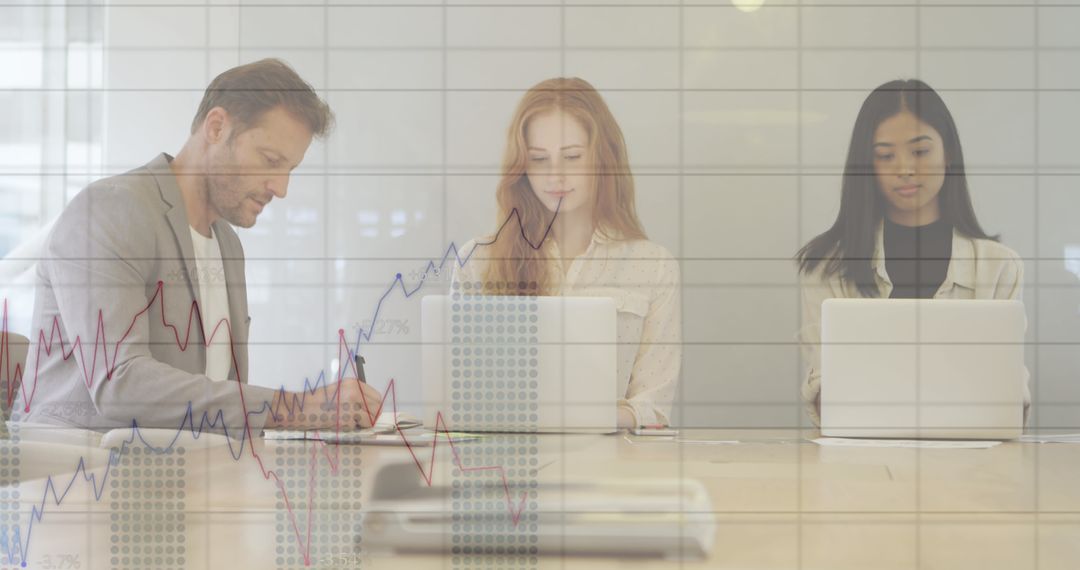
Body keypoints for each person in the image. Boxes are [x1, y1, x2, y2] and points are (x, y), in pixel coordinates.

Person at [13, 59, 383, 432]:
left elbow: (215, 398)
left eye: (289, 170)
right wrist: (298, 408)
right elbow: (119, 384)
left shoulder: (227, 245)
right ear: (217, 127)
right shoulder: (110, 209)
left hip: (183, 470)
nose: (281, 188)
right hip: (76, 473)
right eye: (270, 161)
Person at [796, 78, 1028, 425]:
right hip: (858, 465)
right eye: (885, 156)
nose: (904, 168)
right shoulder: (827, 267)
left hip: (972, 465)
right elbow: (826, 393)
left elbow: (1009, 397)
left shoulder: (998, 266)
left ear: (948, 153)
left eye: (920, 151)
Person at [453, 77, 681, 429]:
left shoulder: (652, 266)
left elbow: (654, 408)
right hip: (506, 465)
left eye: (572, 156)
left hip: (612, 466)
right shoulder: (478, 260)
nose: (555, 175)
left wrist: (573, 418)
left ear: (603, 159)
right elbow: (461, 396)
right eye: (539, 159)